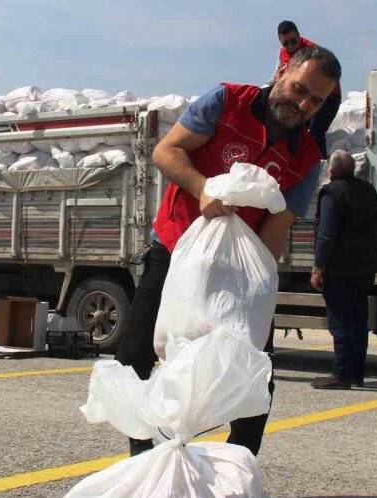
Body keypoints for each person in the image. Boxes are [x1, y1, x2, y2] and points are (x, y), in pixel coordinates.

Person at [116, 44, 341, 457]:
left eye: (316, 100)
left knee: (255, 373)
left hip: (236, 270)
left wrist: (256, 289)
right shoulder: (226, 102)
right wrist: (204, 188)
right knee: (135, 355)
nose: (303, 103)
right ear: (282, 72)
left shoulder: (306, 158)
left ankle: (238, 470)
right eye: (299, 88)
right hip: (176, 249)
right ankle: (143, 460)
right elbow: (166, 151)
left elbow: (276, 229)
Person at [309, 150, 377, 390]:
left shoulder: (332, 192)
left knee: (340, 322)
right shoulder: (369, 191)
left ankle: (341, 375)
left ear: (331, 170)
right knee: (359, 322)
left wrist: (319, 266)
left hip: (339, 269)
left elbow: (326, 234)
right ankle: (357, 374)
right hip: (365, 268)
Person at [272, 20, 342, 158]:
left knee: (316, 133)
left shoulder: (313, 53)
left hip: (326, 98)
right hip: (303, 97)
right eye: (286, 43)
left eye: (294, 41)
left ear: (299, 36)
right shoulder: (283, 54)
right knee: (291, 127)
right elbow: (278, 76)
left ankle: (320, 166)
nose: (291, 46)